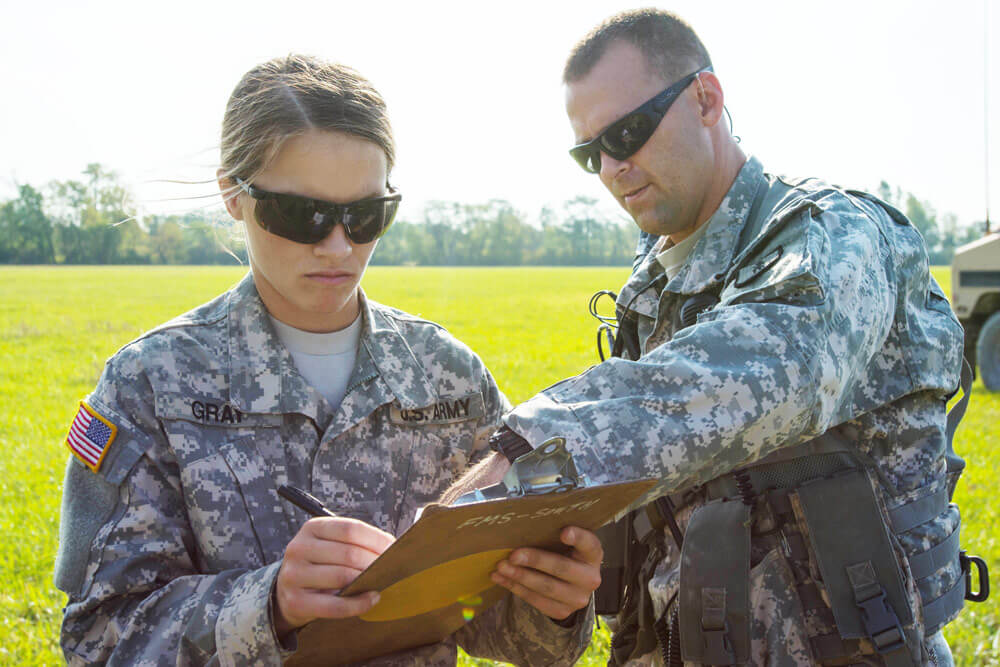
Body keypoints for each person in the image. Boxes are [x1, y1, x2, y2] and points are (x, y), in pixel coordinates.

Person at [459, 9, 980, 666]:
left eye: (629, 132)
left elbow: (779, 370)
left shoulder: (830, 232)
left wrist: (531, 444)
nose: (614, 167)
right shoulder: (653, 280)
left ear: (707, 100)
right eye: (591, 152)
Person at [53, 54, 600, 666]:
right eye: (302, 214)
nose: (338, 246)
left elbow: (485, 623)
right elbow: (97, 640)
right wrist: (269, 606)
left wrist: (554, 603)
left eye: (365, 216)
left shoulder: (448, 374)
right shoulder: (151, 382)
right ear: (234, 195)